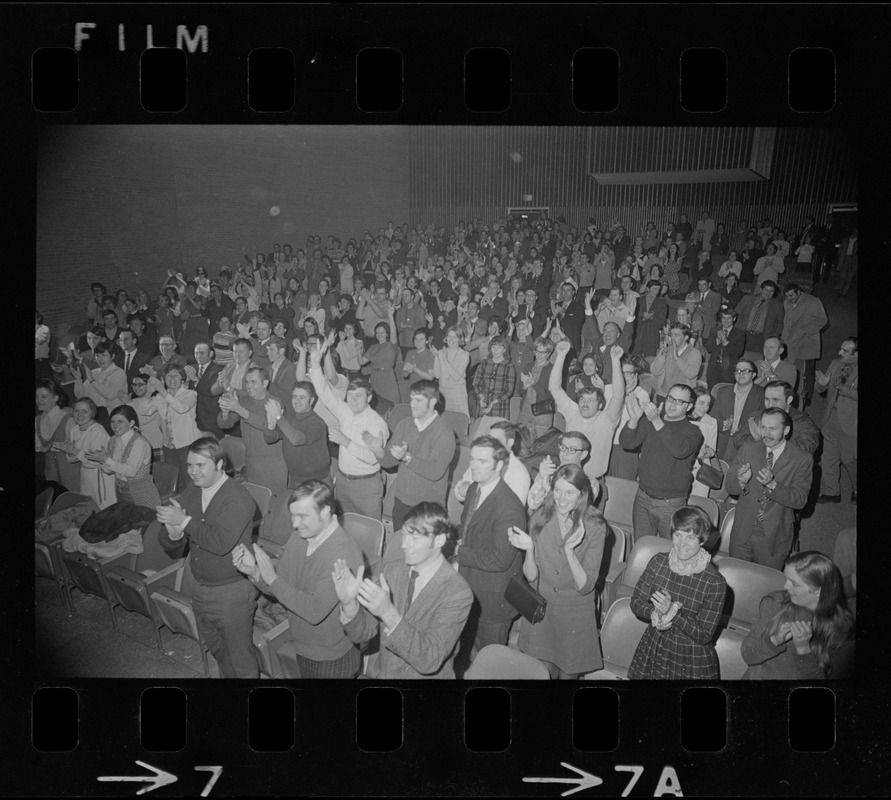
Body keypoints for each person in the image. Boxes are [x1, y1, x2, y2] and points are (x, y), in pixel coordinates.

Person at [233, 479, 364, 678]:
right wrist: (255, 572)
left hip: (334, 658)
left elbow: (314, 610)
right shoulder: (300, 538)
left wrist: (271, 579)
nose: (295, 524)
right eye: (293, 516)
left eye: (302, 516)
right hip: (304, 647)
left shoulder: (342, 553)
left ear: (325, 511)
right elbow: (279, 587)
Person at [334, 501, 474, 679]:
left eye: (415, 538)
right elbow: (364, 634)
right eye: (405, 535)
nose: (405, 545)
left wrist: (388, 612)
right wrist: (349, 605)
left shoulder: (458, 592)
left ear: (439, 540)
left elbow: (430, 659)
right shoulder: (393, 570)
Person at [157, 436, 259, 678]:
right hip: (201, 587)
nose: (193, 472)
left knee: (241, 657)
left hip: (232, 591)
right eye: (190, 465)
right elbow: (171, 538)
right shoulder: (193, 491)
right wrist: (173, 534)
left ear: (220, 464)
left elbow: (220, 542)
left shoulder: (239, 497)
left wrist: (182, 522)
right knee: (216, 647)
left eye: (200, 465)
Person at [507, 464, 607, 679]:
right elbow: (532, 576)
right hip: (541, 609)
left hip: (574, 613)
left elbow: (586, 586)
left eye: (569, 492)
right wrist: (529, 549)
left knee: (568, 677)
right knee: (541, 673)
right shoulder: (540, 518)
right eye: (558, 490)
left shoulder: (595, 526)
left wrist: (570, 552)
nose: (562, 498)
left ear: (582, 494)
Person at [454, 436, 528, 673]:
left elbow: (499, 558)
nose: (473, 465)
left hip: (493, 600)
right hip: (470, 585)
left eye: (481, 461)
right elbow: (467, 528)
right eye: (472, 459)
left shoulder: (509, 507)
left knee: (490, 664)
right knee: (468, 652)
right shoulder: (475, 488)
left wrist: (458, 552)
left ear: (498, 466)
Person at [627, 506, 727, 680]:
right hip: (656, 644)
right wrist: (654, 613)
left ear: (702, 540)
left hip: (691, 656)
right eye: (678, 535)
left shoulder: (714, 581)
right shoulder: (658, 562)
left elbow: (704, 635)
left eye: (691, 537)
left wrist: (671, 612)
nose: (682, 544)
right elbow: (636, 602)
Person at [741, 551, 854, 679]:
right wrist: (774, 640)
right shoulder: (775, 603)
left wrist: (804, 650)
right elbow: (747, 655)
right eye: (786, 579)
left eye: (794, 583)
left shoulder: (840, 627)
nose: (785, 586)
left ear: (818, 592)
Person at [308, 344, 389, 519]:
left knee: (369, 533)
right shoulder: (345, 411)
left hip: (366, 485)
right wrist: (315, 366)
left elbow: (373, 458)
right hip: (343, 482)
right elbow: (324, 393)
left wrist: (346, 442)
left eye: (358, 396)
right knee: (344, 529)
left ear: (369, 397)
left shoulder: (377, 424)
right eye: (350, 395)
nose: (352, 400)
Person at [725, 408, 813, 570]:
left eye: (773, 429)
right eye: (763, 427)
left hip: (774, 536)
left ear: (786, 430)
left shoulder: (802, 458)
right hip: (743, 531)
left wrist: (773, 485)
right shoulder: (748, 448)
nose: (766, 433)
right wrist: (741, 481)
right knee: (737, 581)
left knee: (766, 588)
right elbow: (729, 486)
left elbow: (800, 500)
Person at [618, 384, 703, 542]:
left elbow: (679, 450)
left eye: (679, 401)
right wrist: (634, 419)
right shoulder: (650, 422)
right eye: (670, 398)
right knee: (641, 548)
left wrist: (657, 420)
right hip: (643, 497)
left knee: (670, 551)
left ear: (690, 407)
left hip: (671, 503)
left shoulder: (693, 431)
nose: (672, 404)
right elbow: (626, 443)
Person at [550, 340, 625, 496]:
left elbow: (618, 395)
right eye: (583, 399)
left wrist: (616, 362)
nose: (585, 403)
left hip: (593, 485)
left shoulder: (607, 419)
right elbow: (554, 388)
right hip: (566, 479)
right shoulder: (573, 411)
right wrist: (560, 356)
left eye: (591, 400)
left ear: (600, 405)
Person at [385, 379, 457, 531]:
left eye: (418, 400)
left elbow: (435, 471)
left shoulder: (445, 433)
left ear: (432, 402)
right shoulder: (404, 424)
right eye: (411, 399)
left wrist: (407, 458)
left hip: (428, 510)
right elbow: (387, 461)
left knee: (425, 553)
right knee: (401, 550)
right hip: (401, 503)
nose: (412, 404)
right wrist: (378, 450)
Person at [218, 367, 289, 499]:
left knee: (275, 506)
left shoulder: (275, 402)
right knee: (257, 504)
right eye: (247, 382)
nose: (249, 386)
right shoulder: (245, 401)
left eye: (253, 382)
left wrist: (239, 409)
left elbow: (267, 425)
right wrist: (225, 412)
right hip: (251, 464)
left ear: (265, 383)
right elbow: (225, 425)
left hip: (272, 466)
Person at [88, 405, 161, 507]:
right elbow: (110, 471)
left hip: (140, 491)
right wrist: (102, 461)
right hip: (120, 490)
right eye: (112, 421)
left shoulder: (139, 442)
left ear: (131, 423)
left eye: (120, 421)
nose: (115, 425)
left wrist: (106, 459)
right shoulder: (113, 440)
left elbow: (131, 472)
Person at [729, 379, 821, 457]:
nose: (770, 405)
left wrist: (764, 440)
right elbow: (738, 439)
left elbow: (805, 451)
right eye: (767, 399)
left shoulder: (804, 423)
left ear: (789, 400)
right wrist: (756, 440)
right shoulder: (756, 416)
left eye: (775, 400)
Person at [815, 337, 858, 505]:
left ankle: (856, 489)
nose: (840, 353)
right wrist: (822, 384)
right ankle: (831, 492)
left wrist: (843, 388)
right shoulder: (835, 363)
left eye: (845, 351)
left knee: (848, 459)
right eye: (841, 349)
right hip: (831, 416)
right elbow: (821, 388)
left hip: (850, 421)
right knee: (828, 456)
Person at [148, 363, 202, 492]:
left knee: (190, 480)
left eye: (176, 375)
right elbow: (146, 410)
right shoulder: (160, 396)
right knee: (175, 481)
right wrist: (148, 394)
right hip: (168, 445)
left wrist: (162, 391)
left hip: (187, 443)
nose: (172, 379)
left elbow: (181, 408)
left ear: (182, 378)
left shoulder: (190, 394)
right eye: (168, 376)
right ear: (164, 379)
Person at [55, 398, 117, 508]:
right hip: (85, 475)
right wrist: (68, 451)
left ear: (92, 413)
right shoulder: (74, 430)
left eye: (84, 411)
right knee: (89, 508)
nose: (80, 415)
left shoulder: (97, 431)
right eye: (76, 411)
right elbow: (72, 460)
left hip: (101, 476)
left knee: (104, 509)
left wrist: (74, 451)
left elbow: (96, 460)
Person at [781, 284, 827, 410]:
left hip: (807, 343)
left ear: (799, 292)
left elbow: (822, 320)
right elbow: (787, 322)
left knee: (808, 371)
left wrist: (803, 331)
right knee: (793, 368)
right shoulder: (787, 302)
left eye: (791, 295)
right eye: (787, 296)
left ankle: (807, 397)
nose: (789, 299)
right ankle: (792, 395)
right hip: (790, 341)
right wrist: (783, 339)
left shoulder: (813, 301)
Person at [711, 360, 765, 460]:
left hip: (747, 443)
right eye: (738, 371)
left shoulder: (762, 394)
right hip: (724, 440)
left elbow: (763, 423)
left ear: (753, 375)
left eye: (746, 371)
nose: (741, 374)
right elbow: (713, 417)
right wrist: (722, 424)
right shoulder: (723, 392)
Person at [73, 342, 128, 432]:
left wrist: (93, 382)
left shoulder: (119, 373)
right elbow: (81, 396)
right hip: (93, 416)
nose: (100, 359)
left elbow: (111, 395)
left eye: (103, 355)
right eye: (97, 356)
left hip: (111, 417)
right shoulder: (94, 372)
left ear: (112, 356)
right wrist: (78, 380)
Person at [35, 378, 74, 486]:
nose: (39, 400)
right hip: (51, 475)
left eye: (44, 396)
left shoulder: (68, 417)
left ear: (55, 398)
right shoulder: (37, 420)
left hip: (71, 474)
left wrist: (49, 447)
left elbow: (74, 448)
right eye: (37, 396)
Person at [650, 323, 702, 401]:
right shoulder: (667, 350)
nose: (673, 338)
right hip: (664, 394)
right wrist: (662, 356)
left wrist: (677, 358)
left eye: (676, 335)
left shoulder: (695, 353)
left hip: (683, 397)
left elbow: (691, 373)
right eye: (671, 335)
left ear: (686, 338)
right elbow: (654, 371)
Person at [470, 334, 516, 420]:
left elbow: (509, 391)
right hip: (483, 404)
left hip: (499, 406)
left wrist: (493, 402)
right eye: (493, 347)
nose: (495, 350)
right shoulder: (484, 363)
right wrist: (480, 396)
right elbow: (476, 383)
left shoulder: (509, 366)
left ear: (504, 349)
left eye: (499, 347)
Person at [734, 280, 784, 355]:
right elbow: (736, 314)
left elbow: (779, 323)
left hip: (762, 338)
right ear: (761, 289)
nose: (768, 293)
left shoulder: (777, 305)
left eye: (771, 291)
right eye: (766, 290)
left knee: (757, 360)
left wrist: (773, 337)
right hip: (743, 335)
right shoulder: (747, 299)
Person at [518, 337, 555, 432]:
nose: (539, 355)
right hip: (525, 412)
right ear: (534, 351)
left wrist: (533, 383)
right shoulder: (528, 366)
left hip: (542, 414)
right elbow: (519, 391)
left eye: (543, 352)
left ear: (549, 354)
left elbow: (550, 396)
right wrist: (524, 386)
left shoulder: (552, 370)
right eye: (538, 351)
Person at [126, 375, 166, 462]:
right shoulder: (130, 404)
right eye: (134, 385)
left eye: (140, 384)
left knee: (158, 474)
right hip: (138, 447)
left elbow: (141, 419)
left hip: (156, 446)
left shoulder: (157, 400)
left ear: (149, 385)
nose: (136, 388)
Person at [433, 325, 470, 416]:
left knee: (461, 422)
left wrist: (445, 360)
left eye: (454, 337)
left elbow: (456, 377)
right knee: (446, 422)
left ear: (460, 339)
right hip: (443, 393)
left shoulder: (464, 355)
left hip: (458, 393)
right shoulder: (440, 352)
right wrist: (437, 358)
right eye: (449, 336)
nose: (451, 339)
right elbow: (437, 375)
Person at [688, 387, 719, 498]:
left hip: (701, 472)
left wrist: (705, 452)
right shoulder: (682, 418)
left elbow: (712, 451)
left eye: (708, 404)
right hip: (682, 469)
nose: (705, 408)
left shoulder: (712, 422)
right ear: (692, 402)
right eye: (701, 403)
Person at [705, 309, 746, 387]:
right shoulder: (714, 330)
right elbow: (708, 349)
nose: (726, 321)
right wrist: (717, 341)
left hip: (729, 371)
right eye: (724, 318)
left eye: (729, 318)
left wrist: (726, 342)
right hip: (713, 369)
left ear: (734, 319)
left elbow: (738, 352)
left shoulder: (740, 334)